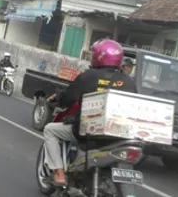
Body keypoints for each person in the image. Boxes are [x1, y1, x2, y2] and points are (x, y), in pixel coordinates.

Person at [43, 38, 137, 186]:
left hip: (88, 133)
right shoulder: (129, 82)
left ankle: (59, 173)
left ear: (98, 56)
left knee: (50, 130)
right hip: (119, 135)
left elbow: (68, 98)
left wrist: (58, 98)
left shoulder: (88, 76)